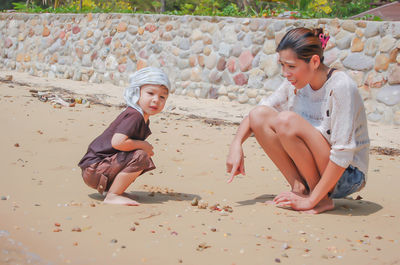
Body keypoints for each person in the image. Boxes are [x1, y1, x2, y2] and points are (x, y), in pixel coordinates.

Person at [226, 27, 369, 214]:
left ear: (315, 61)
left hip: (346, 175)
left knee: (286, 120)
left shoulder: (340, 86)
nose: (286, 73)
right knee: (259, 115)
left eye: (291, 66)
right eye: (282, 65)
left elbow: (343, 153)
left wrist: (315, 200)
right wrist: (236, 144)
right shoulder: (294, 83)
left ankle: (320, 198)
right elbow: (257, 114)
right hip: (319, 170)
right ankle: (299, 188)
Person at [78, 67, 170, 206]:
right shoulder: (134, 116)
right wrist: (143, 145)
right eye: (150, 93)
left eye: (162, 97)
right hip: (95, 169)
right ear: (136, 92)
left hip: (97, 169)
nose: (156, 100)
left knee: (139, 155)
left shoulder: (141, 116)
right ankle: (113, 195)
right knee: (140, 156)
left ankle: (115, 190)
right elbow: (118, 142)